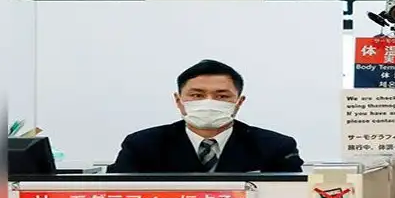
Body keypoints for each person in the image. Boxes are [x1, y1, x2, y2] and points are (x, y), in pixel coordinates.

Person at [108, 60, 304, 173]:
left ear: (239, 102)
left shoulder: (276, 146)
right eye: (197, 95)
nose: (209, 102)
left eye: (222, 96)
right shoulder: (142, 144)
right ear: (179, 100)